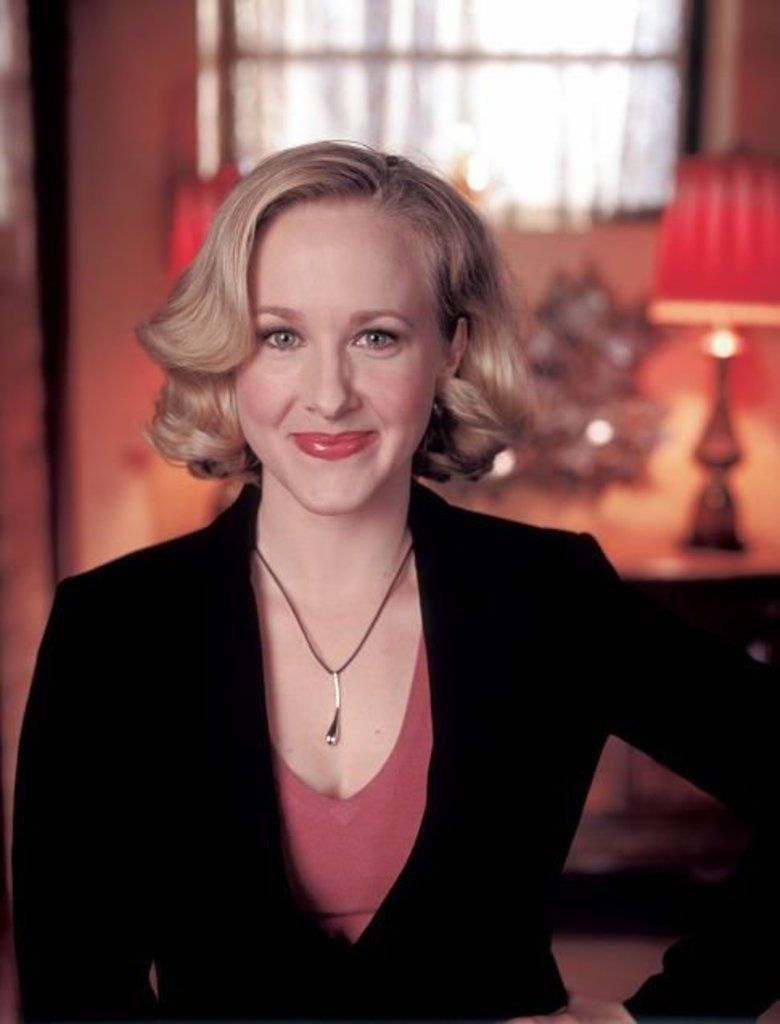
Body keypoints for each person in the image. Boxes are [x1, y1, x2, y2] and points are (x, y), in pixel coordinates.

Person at [11, 139, 780, 1024]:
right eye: (281, 336)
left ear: (450, 350)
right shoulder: (111, 628)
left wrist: (667, 1016)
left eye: (377, 336)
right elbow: (73, 990)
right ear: (228, 352)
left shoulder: (549, 594)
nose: (329, 393)